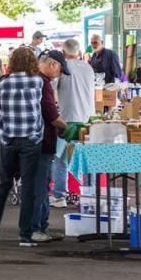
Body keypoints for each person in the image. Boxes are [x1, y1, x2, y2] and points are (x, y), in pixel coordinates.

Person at [0, 48, 45, 247]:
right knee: (28, 186)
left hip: (8, 139)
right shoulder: (37, 81)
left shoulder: (3, 82)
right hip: (31, 138)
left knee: (4, 183)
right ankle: (25, 235)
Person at [51, 39, 96, 207]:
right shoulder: (88, 68)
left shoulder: (62, 68)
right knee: (87, 159)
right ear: (79, 52)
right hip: (88, 119)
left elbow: (51, 85)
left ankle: (59, 196)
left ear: (63, 52)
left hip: (67, 120)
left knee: (60, 158)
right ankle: (90, 196)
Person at [31, 51, 69, 243]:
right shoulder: (42, 83)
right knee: (40, 186)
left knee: (44, 185)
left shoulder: (36, 79)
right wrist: (68, 128)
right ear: (53, 64)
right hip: (41, 142)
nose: (59, 75)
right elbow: (51, 114)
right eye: (61, 70)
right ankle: (36, 228)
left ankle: (42, 226)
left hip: (39, 141)